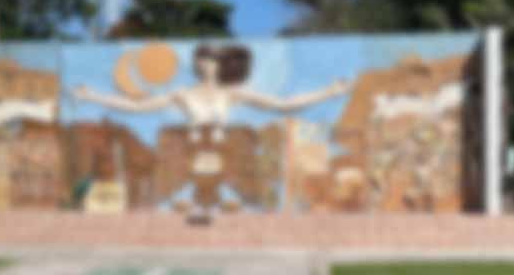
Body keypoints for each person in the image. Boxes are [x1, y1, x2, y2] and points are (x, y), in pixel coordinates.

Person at [73, 44, 352, 219]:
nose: (207, 66)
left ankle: (220, 203)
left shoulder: (232, 94)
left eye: (212, 61)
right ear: (197, 66)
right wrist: (92, 96)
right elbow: (138, 107)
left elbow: (282, 104)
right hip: (189, 164)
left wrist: (329, 92)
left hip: (225, 163)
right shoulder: (182, 94)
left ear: (219, 66)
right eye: (203, 61)